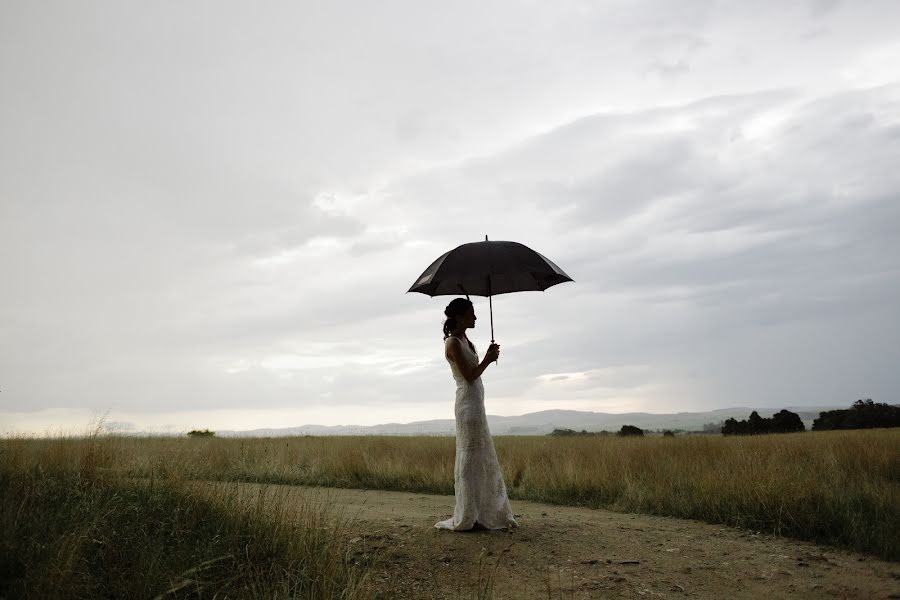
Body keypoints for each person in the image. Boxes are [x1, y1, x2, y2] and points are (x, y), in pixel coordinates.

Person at [434, 297, 517, 531]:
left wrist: (487, 357)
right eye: (471, 313)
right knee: (470, 458)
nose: (476, 318)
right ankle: (468, 514)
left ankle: (482, 512)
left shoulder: (465, 340)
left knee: (480, 456)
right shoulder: (452, 343)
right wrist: (489, 360)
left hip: (476, 403)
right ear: (459, 316)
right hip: (467, 405)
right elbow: (469, 376)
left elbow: (474, 373)